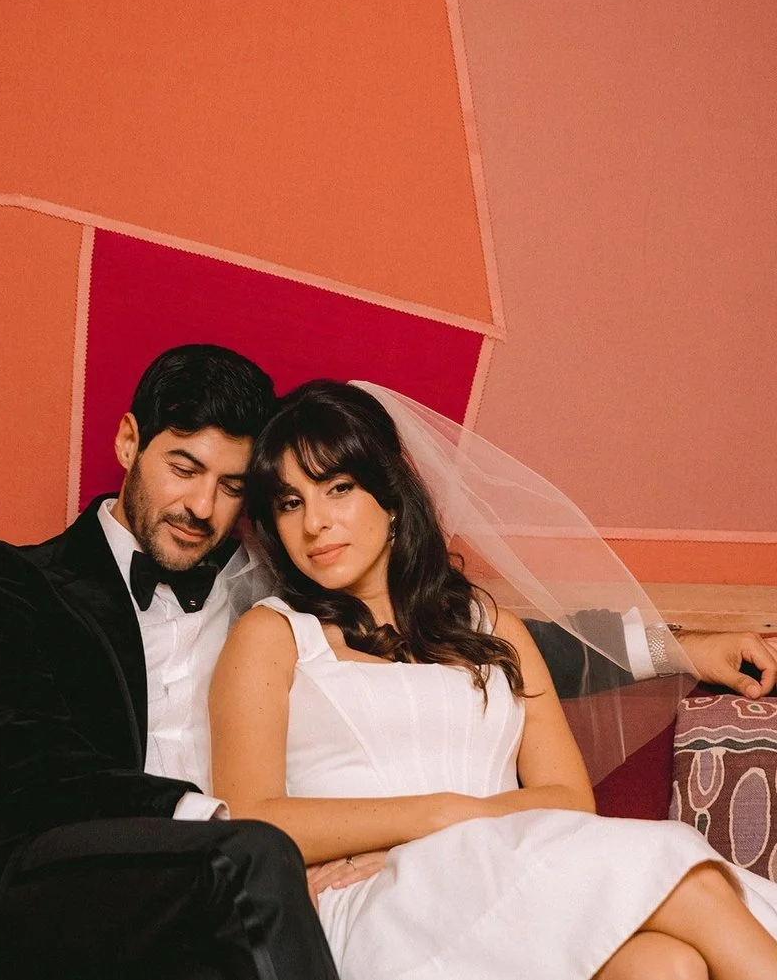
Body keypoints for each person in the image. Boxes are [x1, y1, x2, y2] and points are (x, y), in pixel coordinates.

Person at [0, 346, 775, 980]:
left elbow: (477, 648)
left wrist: (678, 645)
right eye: (184, 468)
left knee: (665, 961)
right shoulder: (21, 582)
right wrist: (239, 832)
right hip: (86, 884)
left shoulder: (263, 586)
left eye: (233, 487)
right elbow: (18, 761)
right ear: (129, 443)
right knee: (683, 883)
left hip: (261, 894)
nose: (203, 506)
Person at [210, 380, 777, 980]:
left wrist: (454, 822)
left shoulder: (491, 626)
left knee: (666, 964)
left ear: (391, 497)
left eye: (339, 488)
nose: (316, 523)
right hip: (380, 901)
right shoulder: (273, 635)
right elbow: (252, 817)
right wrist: (433, 821)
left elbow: (568, 798)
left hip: (509, 865)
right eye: (290, 502)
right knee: (685, 878)